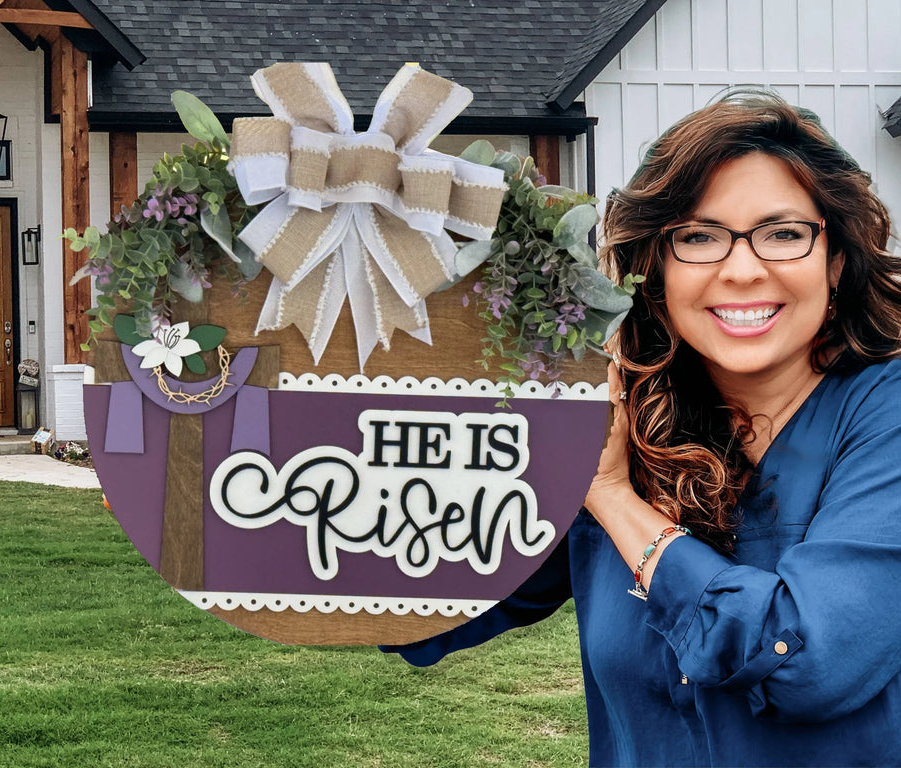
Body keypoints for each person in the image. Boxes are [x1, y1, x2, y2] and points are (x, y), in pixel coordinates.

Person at [382, 91, 901, 767]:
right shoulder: (629, 418)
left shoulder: (882, 417)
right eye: (698, 236)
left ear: (834, 261)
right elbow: (432, 605)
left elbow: (805, 662)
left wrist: (615, 498)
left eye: (783, 233)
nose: (742, 269)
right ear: (654, 269)